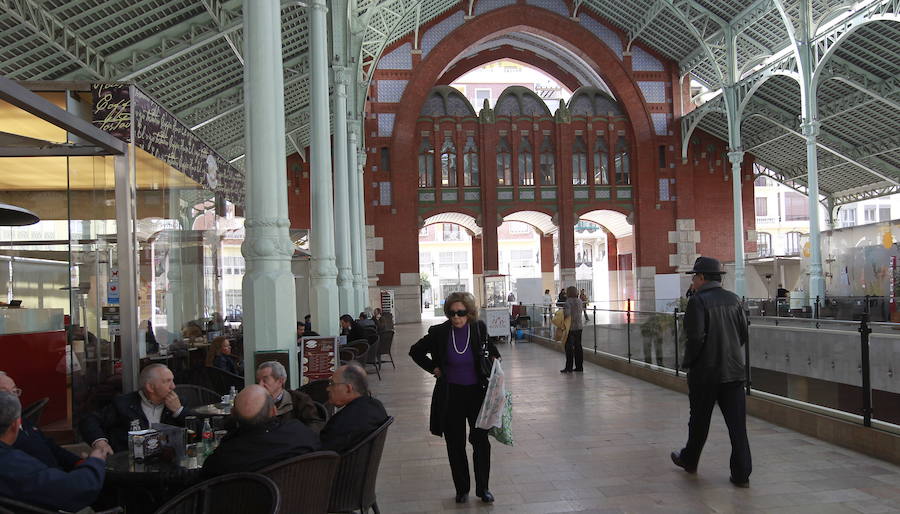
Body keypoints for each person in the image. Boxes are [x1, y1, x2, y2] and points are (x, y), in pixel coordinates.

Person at [409, 291, 501, 504]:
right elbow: (415, 351)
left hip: (477, 393)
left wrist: (495, 361)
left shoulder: (478, 328)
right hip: (451, 395)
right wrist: (433, 368)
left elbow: (492, 350)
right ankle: (462, 489)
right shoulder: (439, 332)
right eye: (452, 313)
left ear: (470, 312)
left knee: (480, 442)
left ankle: (483, 489)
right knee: (455, 443)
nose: (456, 317)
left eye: (461, 313)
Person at [671, 256, 752, 487]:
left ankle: (689, 460)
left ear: (702, 277)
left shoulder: (698, 302)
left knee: (698, 421)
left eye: (694, 277)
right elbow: (743, 335)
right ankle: (742, 474)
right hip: (734, 373)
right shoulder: (735, 300)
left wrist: (689, 362)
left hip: (705, 374)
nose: (693, 282)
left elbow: (695, 338)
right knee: (737, 426)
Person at [0, 392, 107, 512]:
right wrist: (96, 461)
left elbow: (53, 449)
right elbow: (76, 490)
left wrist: (81, 463)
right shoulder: (11, 463)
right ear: (16, 425)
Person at [201, 385, 320, 477]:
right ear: (274, 411)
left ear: (233, 414)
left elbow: (202, 479)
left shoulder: (225, 456)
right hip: (304, 502)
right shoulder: (300, 434)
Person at [80, 363, 187, 454]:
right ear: (150, 387)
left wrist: (179, 411)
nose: (173, 386)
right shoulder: (124, 403)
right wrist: (100, 442)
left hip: (168, 462)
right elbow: (90, 420)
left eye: (172, 381)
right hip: (130, 462)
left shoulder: (178, 403)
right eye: (167, 381)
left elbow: (197, 432)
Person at [0, 372, 80, 470]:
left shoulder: (22, 420)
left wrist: (79, 462)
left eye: (14, 391)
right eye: (4, 393)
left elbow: (50, 446)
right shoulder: (4, 437)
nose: (13, 397)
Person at [320, 364, 388, 452]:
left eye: (332, 384)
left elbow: (321, 452)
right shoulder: (377, 406)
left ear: (348, 388)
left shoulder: (342, 422)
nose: (328, 388)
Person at [256, 361, 325, 432]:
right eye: (258, 381)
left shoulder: (299, 400)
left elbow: (315, 425)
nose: (260, 385)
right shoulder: (254, 402)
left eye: (265, 380)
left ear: (280, 381)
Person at [560, 286, 585, 373]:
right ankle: (579, 367)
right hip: (579, 327)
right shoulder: (580, 301)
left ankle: (569, 367)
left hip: (570, 328)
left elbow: (567, 314)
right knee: (578, 347)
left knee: (569, 348)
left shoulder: (568, 302)